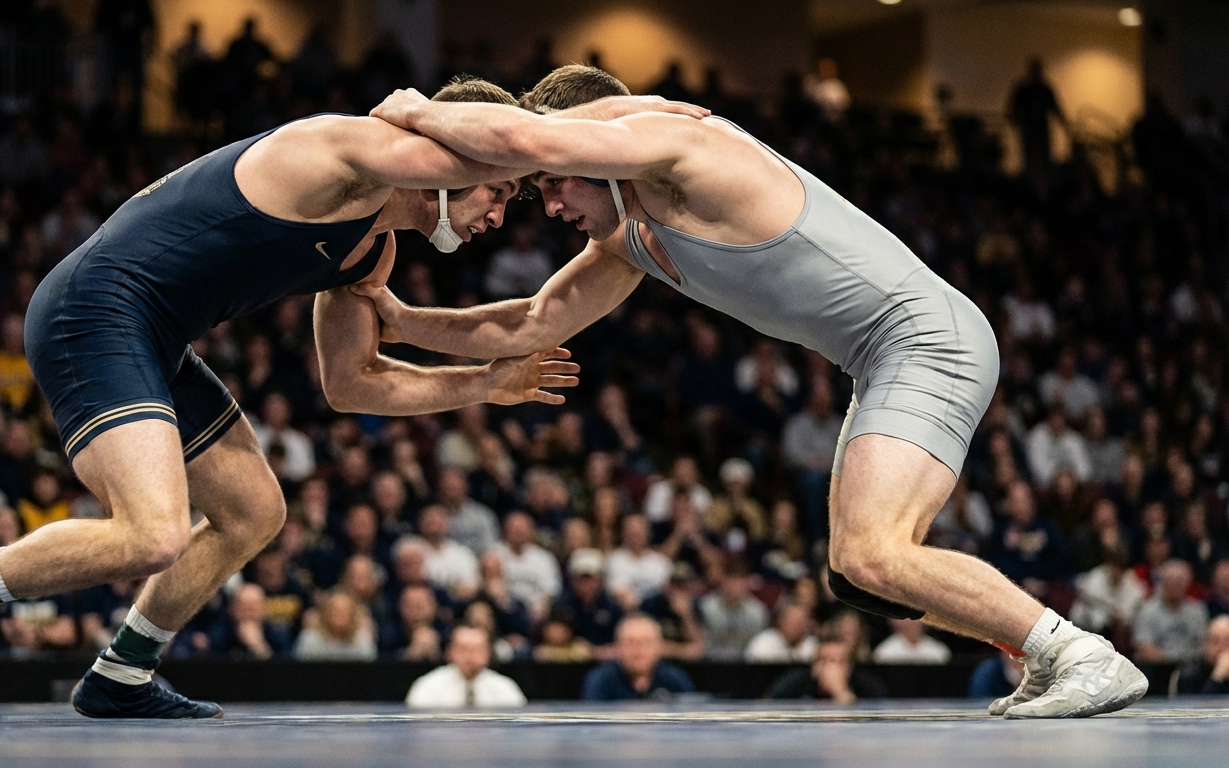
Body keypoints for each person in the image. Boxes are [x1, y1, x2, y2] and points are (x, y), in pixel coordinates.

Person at [359, 64, 1146, 717]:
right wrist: (397, 319)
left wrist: (416, 113)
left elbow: (522, 134)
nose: (552, 204)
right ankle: (1038, 651)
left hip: (924, 338)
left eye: (555, 182)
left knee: (873, 553)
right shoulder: (630, 231)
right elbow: (529, 324)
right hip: (884, 355)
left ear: (602, 140)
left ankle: (1078, 653)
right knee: (853, 569)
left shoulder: (678, 148)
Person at [0, 77, 678, 719]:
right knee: (153, 533)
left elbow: (351, 385)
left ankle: (121, 673)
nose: (498, 215)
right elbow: (471, 139)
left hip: (154, 334)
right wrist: (434, 116)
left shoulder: (370, 252)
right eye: (497, 193)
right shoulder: (343, 152)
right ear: (457, 159)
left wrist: (481, 383)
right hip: (91, 310)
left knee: (254, 511)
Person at [404, 625, 526, 708]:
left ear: (488, 653)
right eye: (463, 649)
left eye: (476, 649)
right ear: (450, 652)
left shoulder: (505, 688)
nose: (470, 656)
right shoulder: (427, 687)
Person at [580, 614, 695, 701]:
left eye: (646, 642)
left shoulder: (675, 680)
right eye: (631, 642)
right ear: (618, 646)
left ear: (659, 647)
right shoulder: (600, 681)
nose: (639, 650)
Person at [766, 633, 888, 703]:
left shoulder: (866, 684)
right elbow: (767, 705)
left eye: (840, 661)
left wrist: (840, 692)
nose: (832, 668)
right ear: (815, 665)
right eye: (826, 661)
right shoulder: (795, 680)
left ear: (850, 666)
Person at [872, 618, 952, 664]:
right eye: (905, 619)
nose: (911, 623)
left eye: (915, 619)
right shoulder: (884, 652)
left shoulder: (939, 651)